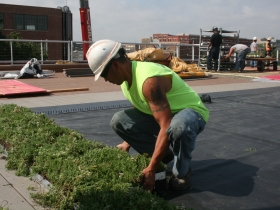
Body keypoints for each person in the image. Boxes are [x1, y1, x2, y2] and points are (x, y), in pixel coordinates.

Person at [86, 39, 209, 192]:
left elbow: (166, 124)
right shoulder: (126, 80)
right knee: (119, 121)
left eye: (104, 74)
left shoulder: (149, 81)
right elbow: (141, 107)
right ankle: (166, 156)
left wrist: (151, 169)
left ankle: (182, 172)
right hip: (168, 114)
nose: (105, 79)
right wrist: (127, 142)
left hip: (190, 112)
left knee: (178, 128)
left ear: (115, 65)